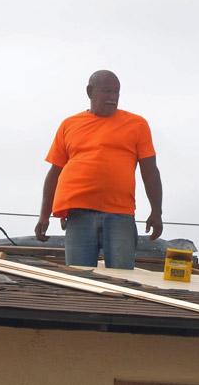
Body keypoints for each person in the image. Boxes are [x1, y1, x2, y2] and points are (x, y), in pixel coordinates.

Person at [35, 70, 163, 269]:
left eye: (117, 92)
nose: (113, 98)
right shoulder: (69, 125)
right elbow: (54, 173)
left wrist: (157, 212)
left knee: (122, 280)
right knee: (79, 280)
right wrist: (44, 215)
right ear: (89, 91)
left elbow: (151, 171)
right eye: (107, 91)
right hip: (78, 215)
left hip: (120, 214)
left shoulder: (137, 124)